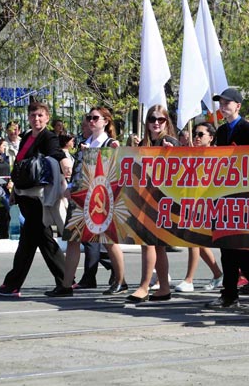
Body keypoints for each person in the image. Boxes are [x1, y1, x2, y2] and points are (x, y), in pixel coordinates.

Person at [0, 102, 72, 298]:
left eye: (40, 116)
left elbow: (56, 152)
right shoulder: (27, 136)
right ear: (28, 117)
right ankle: (66, 282)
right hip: (24, 194)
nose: (36, 119)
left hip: (38, 198)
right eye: (33, 115)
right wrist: (14, 190)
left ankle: (13, 285)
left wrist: (64, 160)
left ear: (47, 118)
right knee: (43, 241)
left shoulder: (48, 137)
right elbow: (20, 164)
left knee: (29, 243)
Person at [45, 108, 127, 297]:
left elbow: (114, 172)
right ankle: (66, 284)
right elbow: (78, 170)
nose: (91, 121)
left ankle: (121, 280)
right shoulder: (85, 143)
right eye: (89, 118)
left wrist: (93, 154)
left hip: (101, 198)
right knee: (73, 239)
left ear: (105, 121)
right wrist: (71, 186)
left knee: (108, 240)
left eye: (95, 118)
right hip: (81, 197)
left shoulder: (111, 144)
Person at [204, 88, 249, 311]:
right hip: (226, 197)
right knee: (228, 248)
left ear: (238, 106)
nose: (223, 106)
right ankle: (229, 293)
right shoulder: (222, 131)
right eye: (220, 103)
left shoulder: (248, 129)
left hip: (247, 198)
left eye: (227, 102)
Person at [125, 105, 179, 303]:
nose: (156, 123)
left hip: (162, 201)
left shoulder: (169, 142)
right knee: (157, 246)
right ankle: (163, 287)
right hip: (148, 199)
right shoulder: (148, 143)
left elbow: (183, 168)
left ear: (167, 122)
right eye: (152, 119)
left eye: (161, 119)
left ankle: (144, 286)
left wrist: (173, 153)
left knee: (148, 243)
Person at [174, 122, 223, 292]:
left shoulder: (216, 154)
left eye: (201, 134)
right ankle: (217, 274)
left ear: (211, 137)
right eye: (195, 133)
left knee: (193, 239)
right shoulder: (190, 153)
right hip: (190, 200)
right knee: (196, 241)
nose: (196, 137)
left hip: (206, 203)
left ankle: (189, 279)